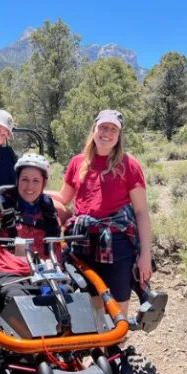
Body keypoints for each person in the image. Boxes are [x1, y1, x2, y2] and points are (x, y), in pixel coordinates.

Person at [47, 109, 153, 318]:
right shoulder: (78, 162)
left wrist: (145, 255)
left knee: (118, 305)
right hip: (83, 241)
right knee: (92, 301)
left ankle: (115, 349)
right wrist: (34, 193)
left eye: (113, 129)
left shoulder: (129, 164)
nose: (107, 133)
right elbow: (64, 197)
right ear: (94, 130)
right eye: (103, 127)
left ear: (119, 135)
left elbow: (141, 212)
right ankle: (98, 348)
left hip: (117, 243)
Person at [0, 153, 62, 304]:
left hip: (46, 271)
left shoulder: (51, 207)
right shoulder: (2, 204)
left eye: (36, 180)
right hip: (8, 272)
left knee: (69, 298)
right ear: (17, 180)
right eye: (25, 179)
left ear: (44, 182)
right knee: (21, 302)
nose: (30, 186)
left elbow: (73, 218)